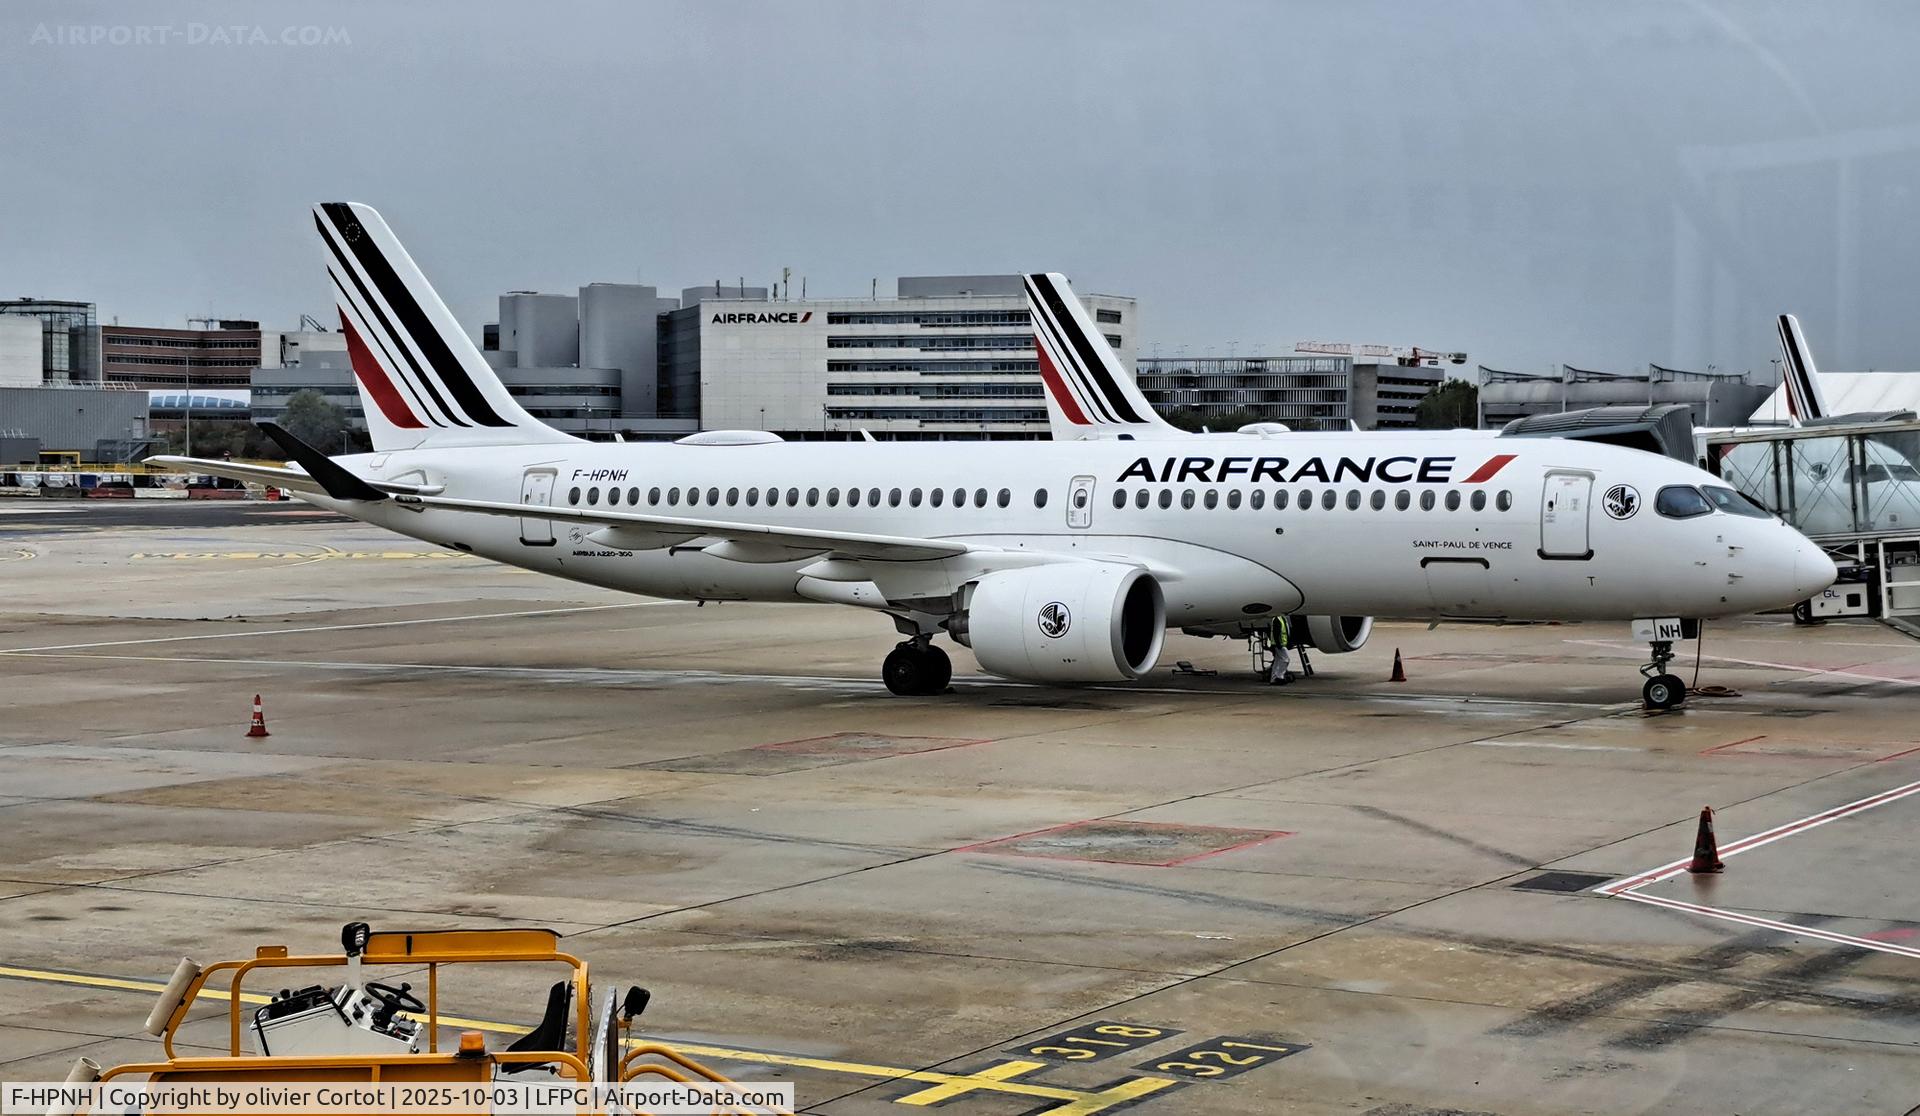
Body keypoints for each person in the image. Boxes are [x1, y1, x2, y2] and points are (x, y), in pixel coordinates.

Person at [1268, 614, 1294, 685]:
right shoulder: (1277, 619)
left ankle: (1273, 679)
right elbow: (1276, 633)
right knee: (1286, 659)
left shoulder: (1282, 618)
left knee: (1277, 661)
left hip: (1281, 644)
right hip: (1279, 644)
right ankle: (1279, 677)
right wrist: (1278, 644)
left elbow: (1286, 632)